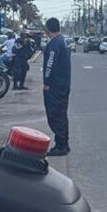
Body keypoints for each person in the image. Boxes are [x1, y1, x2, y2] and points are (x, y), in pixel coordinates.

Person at [42, 18, 71, 156]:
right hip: (64, 84)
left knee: (55, 115)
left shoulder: (54, 44)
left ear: (48, 29)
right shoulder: (63, 41)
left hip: (55, 86)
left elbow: (50, 64)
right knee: (62, 113)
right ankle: (64, 142)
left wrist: (46, 82)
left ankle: (60, 145)